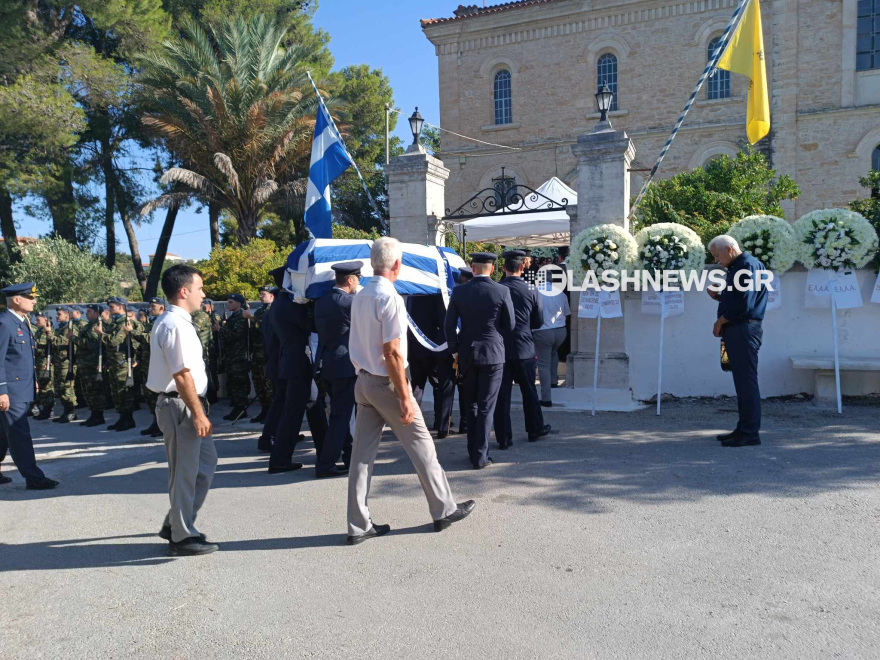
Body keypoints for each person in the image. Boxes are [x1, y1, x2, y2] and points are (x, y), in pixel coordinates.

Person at [347, 238, 474, 545]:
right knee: (422, 446)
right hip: (386, 381)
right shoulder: (389, 297)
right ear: (397, 265)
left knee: (361, 456)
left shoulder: (361, 294)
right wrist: (405, 397)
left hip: (363, 381)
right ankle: (443, 509)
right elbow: (392, 352)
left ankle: (358, 525)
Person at [147, 264, 218, 557]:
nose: (203, 294)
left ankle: (175, 523)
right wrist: (198, 412)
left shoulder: (179, 321)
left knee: (203, 466)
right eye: (200, 288)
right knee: (186, 472)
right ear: (184, 291)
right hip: (181, 405)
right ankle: (181, 537)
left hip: (185, 403)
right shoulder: (174, 324)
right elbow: (182, 375)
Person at [444, 252, 514, 469]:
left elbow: (449, 325)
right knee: (486, 406)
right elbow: (510, 324)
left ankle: (472, 451)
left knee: (471, 404)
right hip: (492, 352)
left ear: (472, 268)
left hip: (467, 353)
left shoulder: (459, 291)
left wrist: (455, 350)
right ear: (492, 269)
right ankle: (481, 456)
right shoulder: (502, 290)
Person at [708, 235, 768, 447]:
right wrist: (717, 297)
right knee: (741, 381)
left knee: (746, 382)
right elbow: (736, 298)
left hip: (742, 329)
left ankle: (750, 432)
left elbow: (744, 305)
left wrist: (719, 322)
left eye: (717, 256)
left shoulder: (746, 266)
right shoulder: (741, 266)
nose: (717, 261)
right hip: (738, 330)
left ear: (730, 250)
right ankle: (743, 429)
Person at [0, 282, 58, 489]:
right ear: (17, 300)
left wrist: (32, 378)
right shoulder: (5, 323)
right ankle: (34, 477)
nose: (34, 301)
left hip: (21, 387)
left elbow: (21, 357)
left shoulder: (22, 321)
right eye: (30, 297)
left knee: (4, 432)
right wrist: (1, 390)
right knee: (19, 433)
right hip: (10, 391)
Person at [266, 284, 327, 473]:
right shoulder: (289, 305)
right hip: (297, 363)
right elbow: (312, 325)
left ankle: (326, 452)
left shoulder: (279, 303)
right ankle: (280, 460)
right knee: (292, 414)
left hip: (292, 362)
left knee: (314, 404)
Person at [493, 250, 551, 448]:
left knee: (502, 395)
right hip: (524, 346)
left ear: (503, 268)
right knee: (529, 392)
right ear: (522, 267)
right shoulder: (531, 289)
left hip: (500, 348)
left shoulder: (496, 288)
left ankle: (503, 438)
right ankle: (534, 429)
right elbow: (538, 321)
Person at [313, 261, 360, 479]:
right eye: (358, 278)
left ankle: (349, 457)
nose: (359, 282)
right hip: (344, 366)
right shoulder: (349, 302)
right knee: (341, 417)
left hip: (327, 364)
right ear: (350, 280)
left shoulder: (321, 301)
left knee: (340, 415)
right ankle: (325, 464)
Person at [406, 292, 455, 439]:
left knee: (417, 387)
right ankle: (441, 425)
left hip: (415, 348)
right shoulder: (437, 296)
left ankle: (412, 425)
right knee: (440, 386)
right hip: (434, 348)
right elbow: (442, 321)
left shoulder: (412, 295)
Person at [99, 296, 141, 432]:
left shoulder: (125, 322)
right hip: (113, 362)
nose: (110, 309)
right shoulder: (113, 322)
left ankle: (128, 419)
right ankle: (122, 417)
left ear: (121, 306)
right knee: (116, 392)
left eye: (112, 306)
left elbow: (114, 341)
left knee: (124, 392)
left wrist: (101, 334)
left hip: (123, 362)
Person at [533, 283, 570, 407]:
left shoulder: (535, 292)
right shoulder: (561, 293)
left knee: (543, 364)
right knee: (554, 353)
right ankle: (554, 381)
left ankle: (546, 398)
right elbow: (567, 312)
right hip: (560, 330)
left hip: (543, 331)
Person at [218, 293, 251, 421]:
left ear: (238, 303)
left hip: (239, 356)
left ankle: (241, 409)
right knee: (233, 382)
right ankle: (238, 407)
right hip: (232, 355)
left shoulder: (241, 317)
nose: (228, 304)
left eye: (231, 302)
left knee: (239, 383)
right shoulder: (233, 317)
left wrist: (220, 329)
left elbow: (235, 335)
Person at [76, 304, 108, 427]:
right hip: (85, 363)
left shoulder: (98, 325)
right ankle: (93, 414)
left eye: (89, 311)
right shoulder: (89, 325)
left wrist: (75, 339)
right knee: (87, 390)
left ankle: (98, 415)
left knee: (95, 391)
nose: (87, 314)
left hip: (93, 362)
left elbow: (93, 343)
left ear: (96, 313)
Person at [246, 285, 275, 423]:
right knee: (258, 383)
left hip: (266, 353)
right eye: (260, 294)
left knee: (268, 384)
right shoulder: (259, 311)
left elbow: (265, 328)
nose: (260, 296)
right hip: (257, 353)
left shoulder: (272, 310)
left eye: (263, 294)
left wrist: (251, 318)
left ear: (271, 296)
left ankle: (270, 412)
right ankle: (264, 410)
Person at [138, 297, 166, 438]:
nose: (150, 308)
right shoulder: (151, 323)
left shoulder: (164, 322)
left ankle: (162, 425)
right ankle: (155, 422)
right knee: (150, 395)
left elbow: (152, 338)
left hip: (158, 364)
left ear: (162, 307)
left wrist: (136, 333)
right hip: (147, 363)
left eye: (153, 306)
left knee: (158, 396)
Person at [453, 267, 473, 435]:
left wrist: (454, 348)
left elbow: (450, 324)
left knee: (464, 387)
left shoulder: (457, 294)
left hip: (463, 347)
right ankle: (468, 423)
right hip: (484, 349)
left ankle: (465, 423)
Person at [51, 306, 78, 423]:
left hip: (67, 362)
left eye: (59, 314)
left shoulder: (71, 328)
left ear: (67, 315)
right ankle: (66, 411)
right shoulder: (59, 328)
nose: (57, 316)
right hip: (58, 362)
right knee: (59, 387)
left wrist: (50, 336)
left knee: (67, 387)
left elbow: (65, 341)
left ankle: (71, 412)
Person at [33, 312, 55, 420]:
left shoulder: (50, 331)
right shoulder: (39, 331)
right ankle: (44, 408)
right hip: (39, 362)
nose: (36, 322)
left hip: (46, 363)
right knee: (42, 387)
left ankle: (48, 410)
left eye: (39, 320)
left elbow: (51, 345)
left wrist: (48, 333)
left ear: (46, 320)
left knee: (47, 387)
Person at [200, 299, 220, 404]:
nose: (203, 308)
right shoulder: (204, 316)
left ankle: (213, 394)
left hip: (211, 349)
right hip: (206, 349)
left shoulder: (214, 317)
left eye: (205, 306)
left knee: (212, 373)